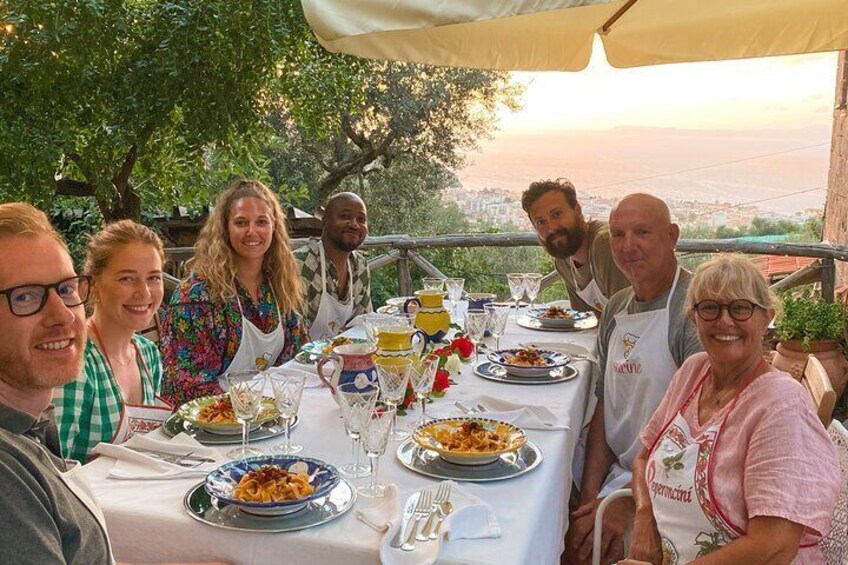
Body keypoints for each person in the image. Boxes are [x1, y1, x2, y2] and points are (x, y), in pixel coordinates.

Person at [623, 255, 840, 564]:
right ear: (693, 317)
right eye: (709, 307)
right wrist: (644, 516)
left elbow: (774, 547)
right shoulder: (694, 371)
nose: (725, 321)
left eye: (741, 307)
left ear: (766, 318)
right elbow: (643, 456)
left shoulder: (781, 404)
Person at [565, 193, 703, 564]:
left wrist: (626, 503)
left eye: (642, 232)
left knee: (574, 549)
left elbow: (697, 438)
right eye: (618, 235)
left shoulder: (695, 310)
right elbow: (606, 410)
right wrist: (593, 496)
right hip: (618, 471)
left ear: (672, 236)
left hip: (669, 485)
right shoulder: (616, 306)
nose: (628, 246)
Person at [160, 179, 306, 406]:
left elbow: (295, 359)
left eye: (261, 222)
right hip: (211, 427)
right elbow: (185, 389)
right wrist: (253, 406)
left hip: (267, 417)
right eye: (240, 222)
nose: (252, 231)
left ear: (274, 227)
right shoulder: (197, 296)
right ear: (224, 228)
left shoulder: (279, 285)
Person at [54, 220, 168, 464]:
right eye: (127, 279)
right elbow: (53, 468)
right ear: (92, 285)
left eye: (153, 278)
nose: (145, 292)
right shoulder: (75, 363)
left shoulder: (148, 355)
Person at [522, 178, 629, 314]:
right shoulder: (563, 260)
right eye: (541, 222)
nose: (552, 228)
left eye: (557, 214)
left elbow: (628, 315)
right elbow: (593, 316)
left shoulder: (604, 244)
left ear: (577, 209)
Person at [294, 192, 372, 340]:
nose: (354, 224)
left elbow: (363, 325)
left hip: (343, 357)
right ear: (325, 221)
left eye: (361, 219)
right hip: (301, 361)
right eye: (345, 216)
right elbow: (293, 336)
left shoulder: (360, 267)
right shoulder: (300, 265)